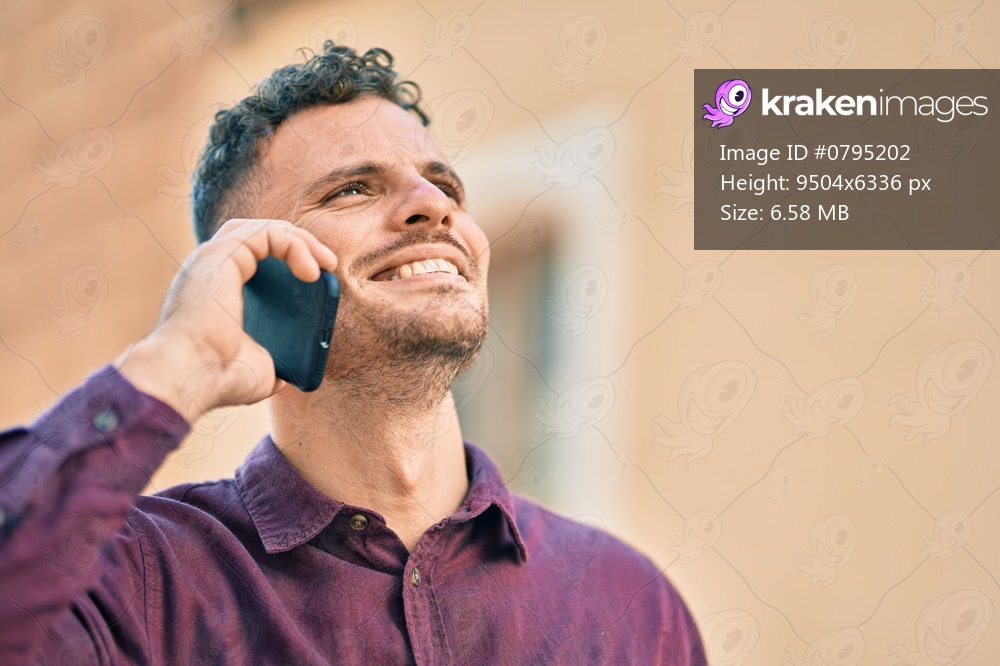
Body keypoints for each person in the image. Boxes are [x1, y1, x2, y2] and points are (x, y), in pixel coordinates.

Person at [0, 42, 705, 665]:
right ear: (256, 273)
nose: (434, 208)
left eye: (446, 186)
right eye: (354, 189)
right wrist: (177, 360)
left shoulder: (631, 604)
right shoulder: (142, 584)